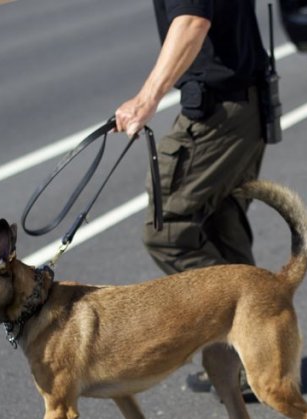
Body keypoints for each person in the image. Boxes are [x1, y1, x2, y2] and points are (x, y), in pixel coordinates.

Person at [115, 0, 273, 393]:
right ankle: (258, 360)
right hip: (243, 103)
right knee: (220, 226)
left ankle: (248, 354)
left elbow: (192, 21)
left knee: (170, 231)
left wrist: (146, 98)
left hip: (221, 110)